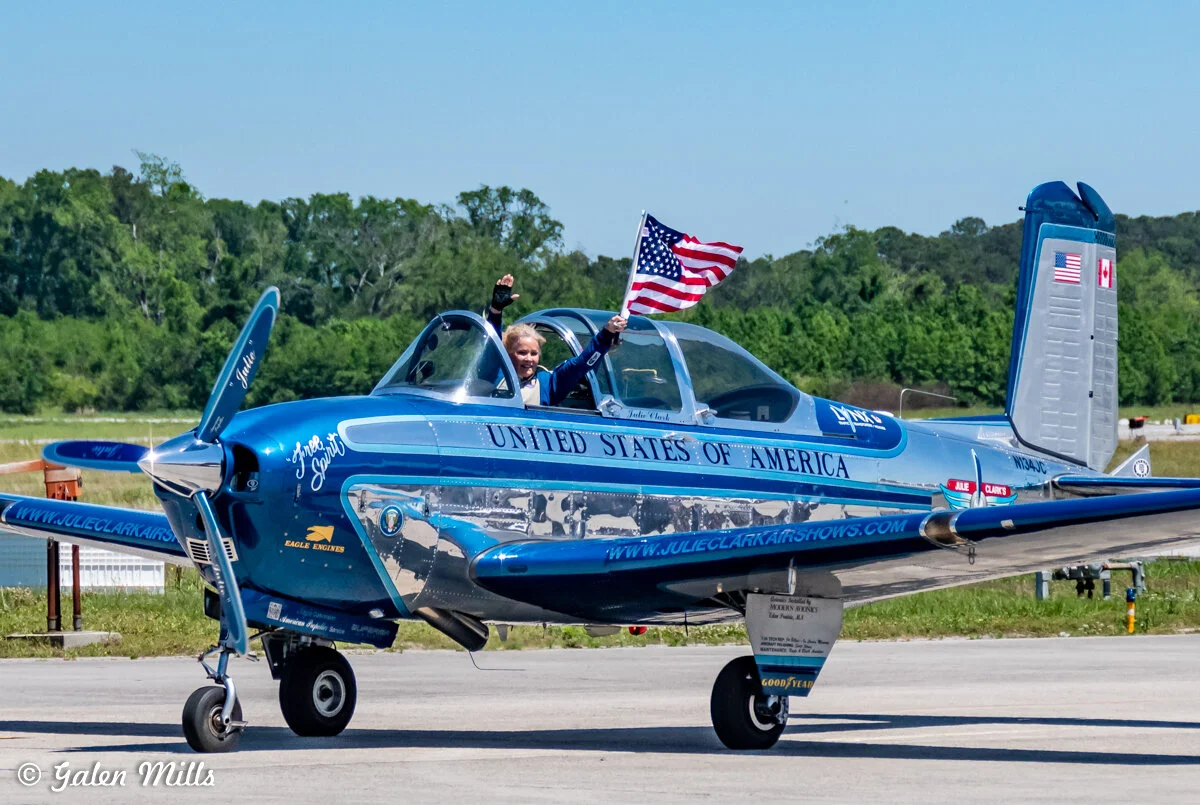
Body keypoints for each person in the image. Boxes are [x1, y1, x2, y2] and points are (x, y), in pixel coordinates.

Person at [485, 275, 627, 406]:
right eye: (522, 352)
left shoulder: (546, 383)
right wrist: (496, 311)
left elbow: (580, 365)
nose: (529, 359)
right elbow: (491, 348)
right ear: (508, 354)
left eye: (534, 353)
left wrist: (606, 334)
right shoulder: (494, 375)